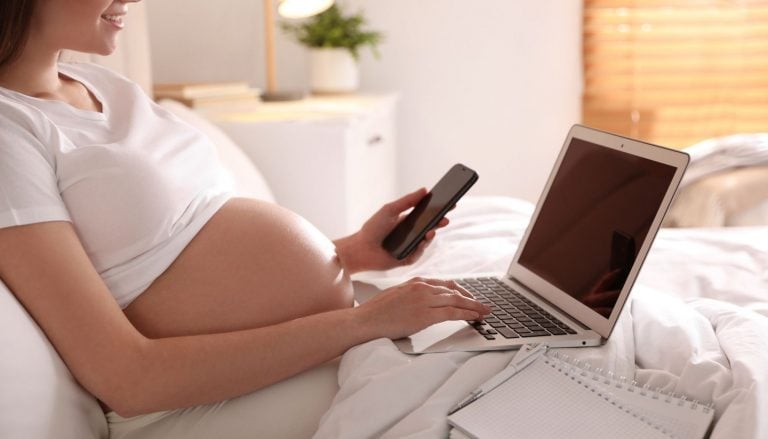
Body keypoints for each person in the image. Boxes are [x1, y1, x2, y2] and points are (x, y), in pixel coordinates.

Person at [0, 0, 490, 431]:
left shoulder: (100, 81)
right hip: (189, 404)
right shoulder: (9, 130)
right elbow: (127, 376)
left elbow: (183, 252)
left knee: (505, 361)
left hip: (288, 358)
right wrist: (364, 324)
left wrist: (351, 253)